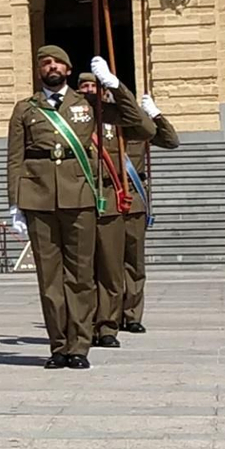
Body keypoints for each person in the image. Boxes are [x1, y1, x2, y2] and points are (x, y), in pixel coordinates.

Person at [6, 49, 148, 370]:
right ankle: (58, 346)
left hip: (80, 197)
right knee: (50, 279)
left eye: (57, 62)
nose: (51, 67)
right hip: (38, 199)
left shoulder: (88, 105)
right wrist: (15, 203)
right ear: (39, 70)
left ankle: (79, 346)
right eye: (45, 62)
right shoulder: (25, 109)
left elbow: (139, 124)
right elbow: (15, 158)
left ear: (68, 70)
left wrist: (114, 84)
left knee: (81, 276)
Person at [76, 69, 158, 350]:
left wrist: (121, 89)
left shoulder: (115, 118)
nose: (89, 91)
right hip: (81, 199)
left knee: (119, 267)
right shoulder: (72, 118)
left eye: (94, 87)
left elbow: (153, 132)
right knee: (87, 270)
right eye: (84, 87)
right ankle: (86, 325)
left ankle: (113, 323)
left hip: (119, 200)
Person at [123, 93, 180, 334]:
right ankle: (108, 315)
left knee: (134, 261)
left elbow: (171, 141)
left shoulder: (139, 127)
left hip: (133, 196)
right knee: (105, 264)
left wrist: (155, 114)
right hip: (103, 197)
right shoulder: (95, 125)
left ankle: (132, 315)